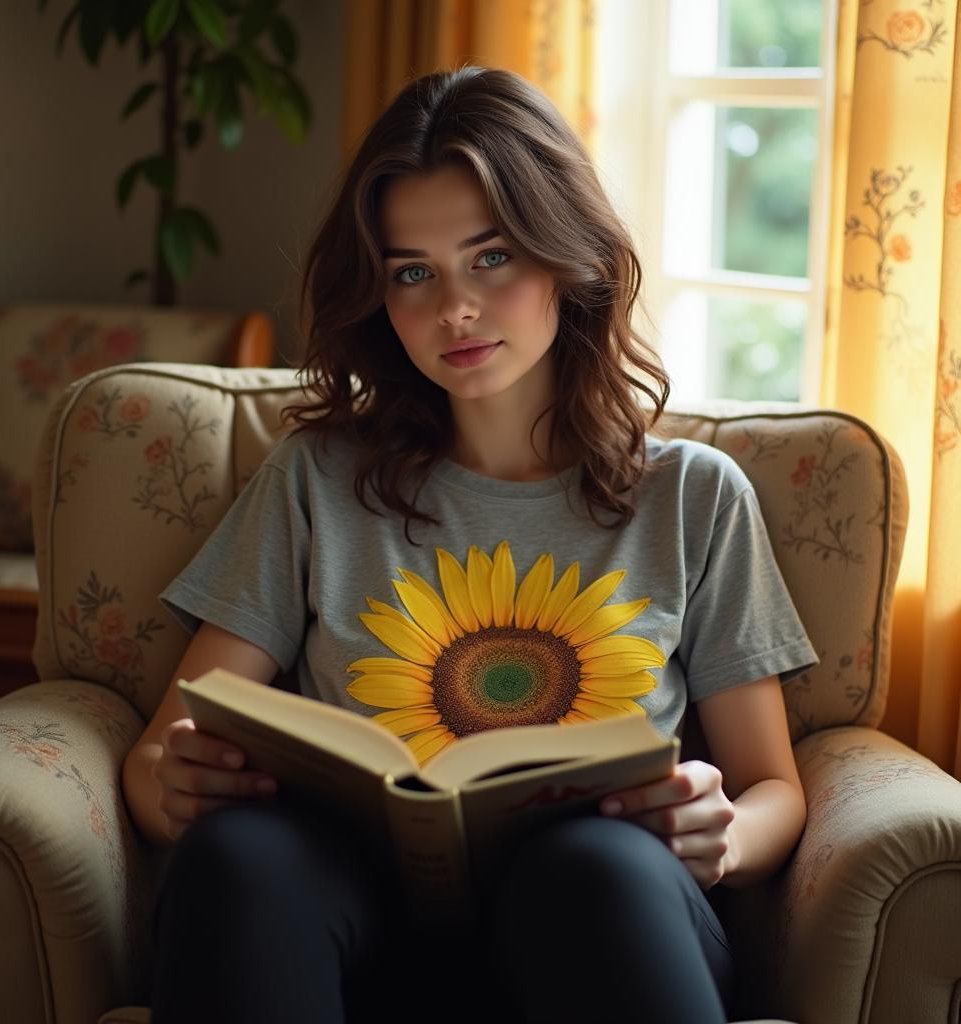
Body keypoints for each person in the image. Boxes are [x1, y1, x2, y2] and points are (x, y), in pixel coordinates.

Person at [122, 66, 817, 1024]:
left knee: (595, 866)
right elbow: (154, 760)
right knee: (240, 857)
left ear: (568, 255)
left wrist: (723, 833)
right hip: (351, 923)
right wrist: (175, 788)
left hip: (601, 917)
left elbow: (776, 788)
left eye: (491, 257)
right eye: (413, 272)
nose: (454, 307)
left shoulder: (695, 496)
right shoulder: (316, 480)